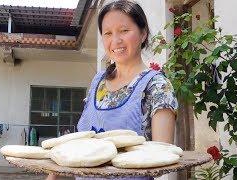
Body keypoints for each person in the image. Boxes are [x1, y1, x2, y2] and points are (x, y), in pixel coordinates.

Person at [46, 0, 178, 179]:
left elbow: (162, 158)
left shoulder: (157, 87)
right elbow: (78, 145)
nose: (115, 40)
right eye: (107, 33)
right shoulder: (98, 82)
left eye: (124, 30)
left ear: (143, 33)